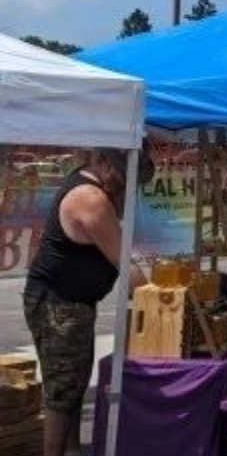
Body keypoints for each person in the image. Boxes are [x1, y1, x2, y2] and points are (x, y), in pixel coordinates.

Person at [23, 146, 154, 456]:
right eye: (122, 174)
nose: (124, 184)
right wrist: (155, 295)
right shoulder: (91, 199)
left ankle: (71, 451)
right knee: (63, 390)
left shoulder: (92, 183)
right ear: (102, 162)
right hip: (59, 304)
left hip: (69, 302)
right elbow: (126, 263)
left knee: (74, 381)